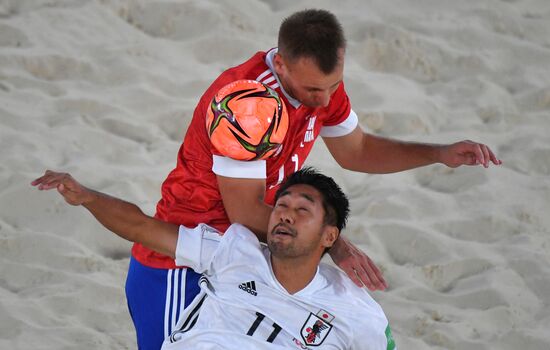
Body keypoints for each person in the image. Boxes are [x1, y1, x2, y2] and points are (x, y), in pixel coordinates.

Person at [77, 8, 499, 349]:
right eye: (316, 90)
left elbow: (356, 151)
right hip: (184, 263)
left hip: (254, 261)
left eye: (333, 85)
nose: (326, 100)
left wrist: (436, 154)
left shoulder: (317, 83)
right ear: (280, 64)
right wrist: (333, 244)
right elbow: (243, 212)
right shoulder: (245, 102)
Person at [32, 168, 397, 350]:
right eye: (281, 205)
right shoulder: (232, 250)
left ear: (330, 237)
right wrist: (88, 198)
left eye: (302, 210)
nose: (285, 214)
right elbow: (142, 228)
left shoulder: (357, 314)